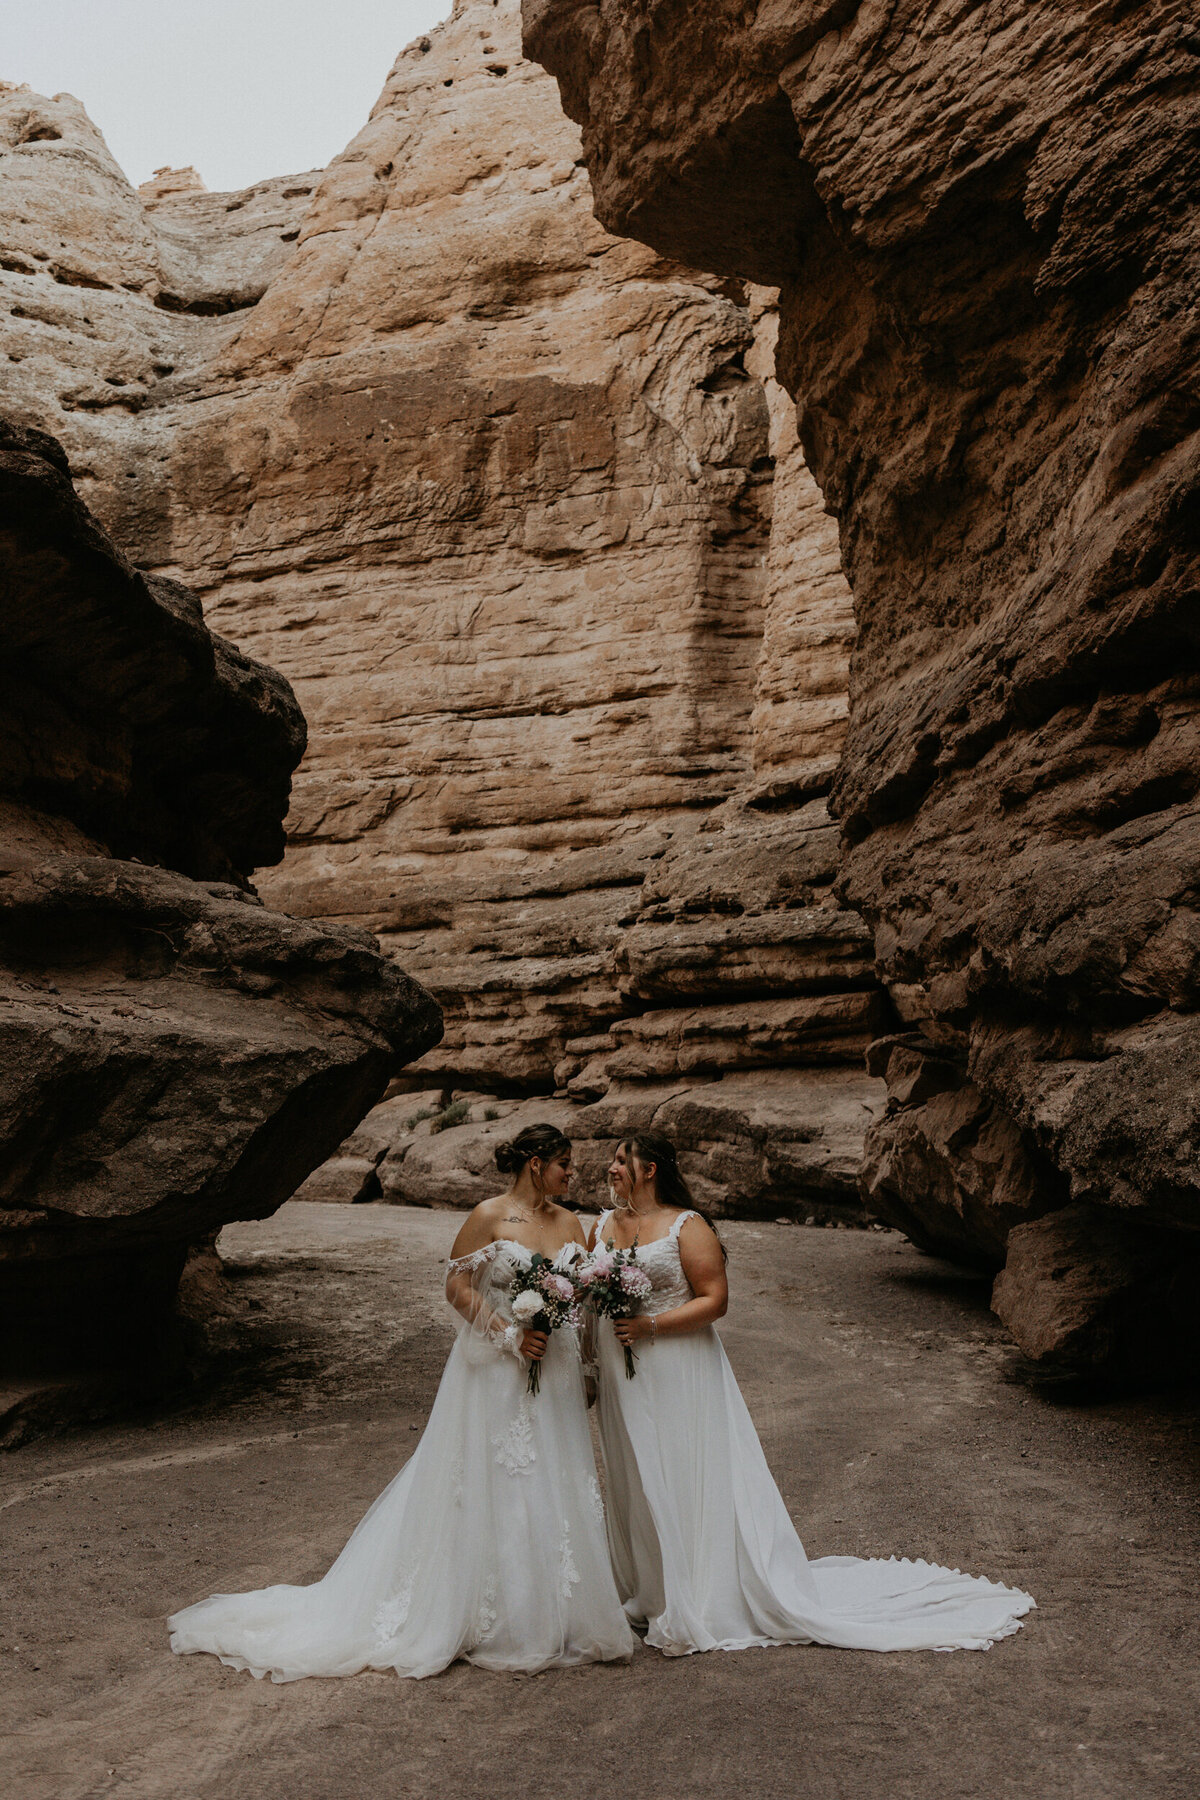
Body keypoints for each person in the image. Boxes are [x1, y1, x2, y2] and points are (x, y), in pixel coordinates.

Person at [169, 1124, 635, 1680]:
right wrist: (509, 1334)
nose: (571, 1174)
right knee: (492, 1476)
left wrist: (584, 1358)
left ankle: (550, 1609)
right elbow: (458, 1287)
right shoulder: (489, 1215)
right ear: (536, 1163)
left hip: (552, 1366)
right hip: (497, 1367)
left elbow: (578, 1295)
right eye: (564, 1164)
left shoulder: (571, 1223)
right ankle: (476, 1612)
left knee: (551, 1474)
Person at [591, 1132, 1035, 1655]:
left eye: (621, 1160)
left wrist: (651, 1326)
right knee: (635, 1469)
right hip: (623, 1372)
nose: (612, 1167)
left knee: (682, 1469)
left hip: (677, 1367)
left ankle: (700, 1593)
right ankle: (653, 1589)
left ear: (649, 1169)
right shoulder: (603, 1225)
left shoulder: (687, 1226)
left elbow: (715, 1300)